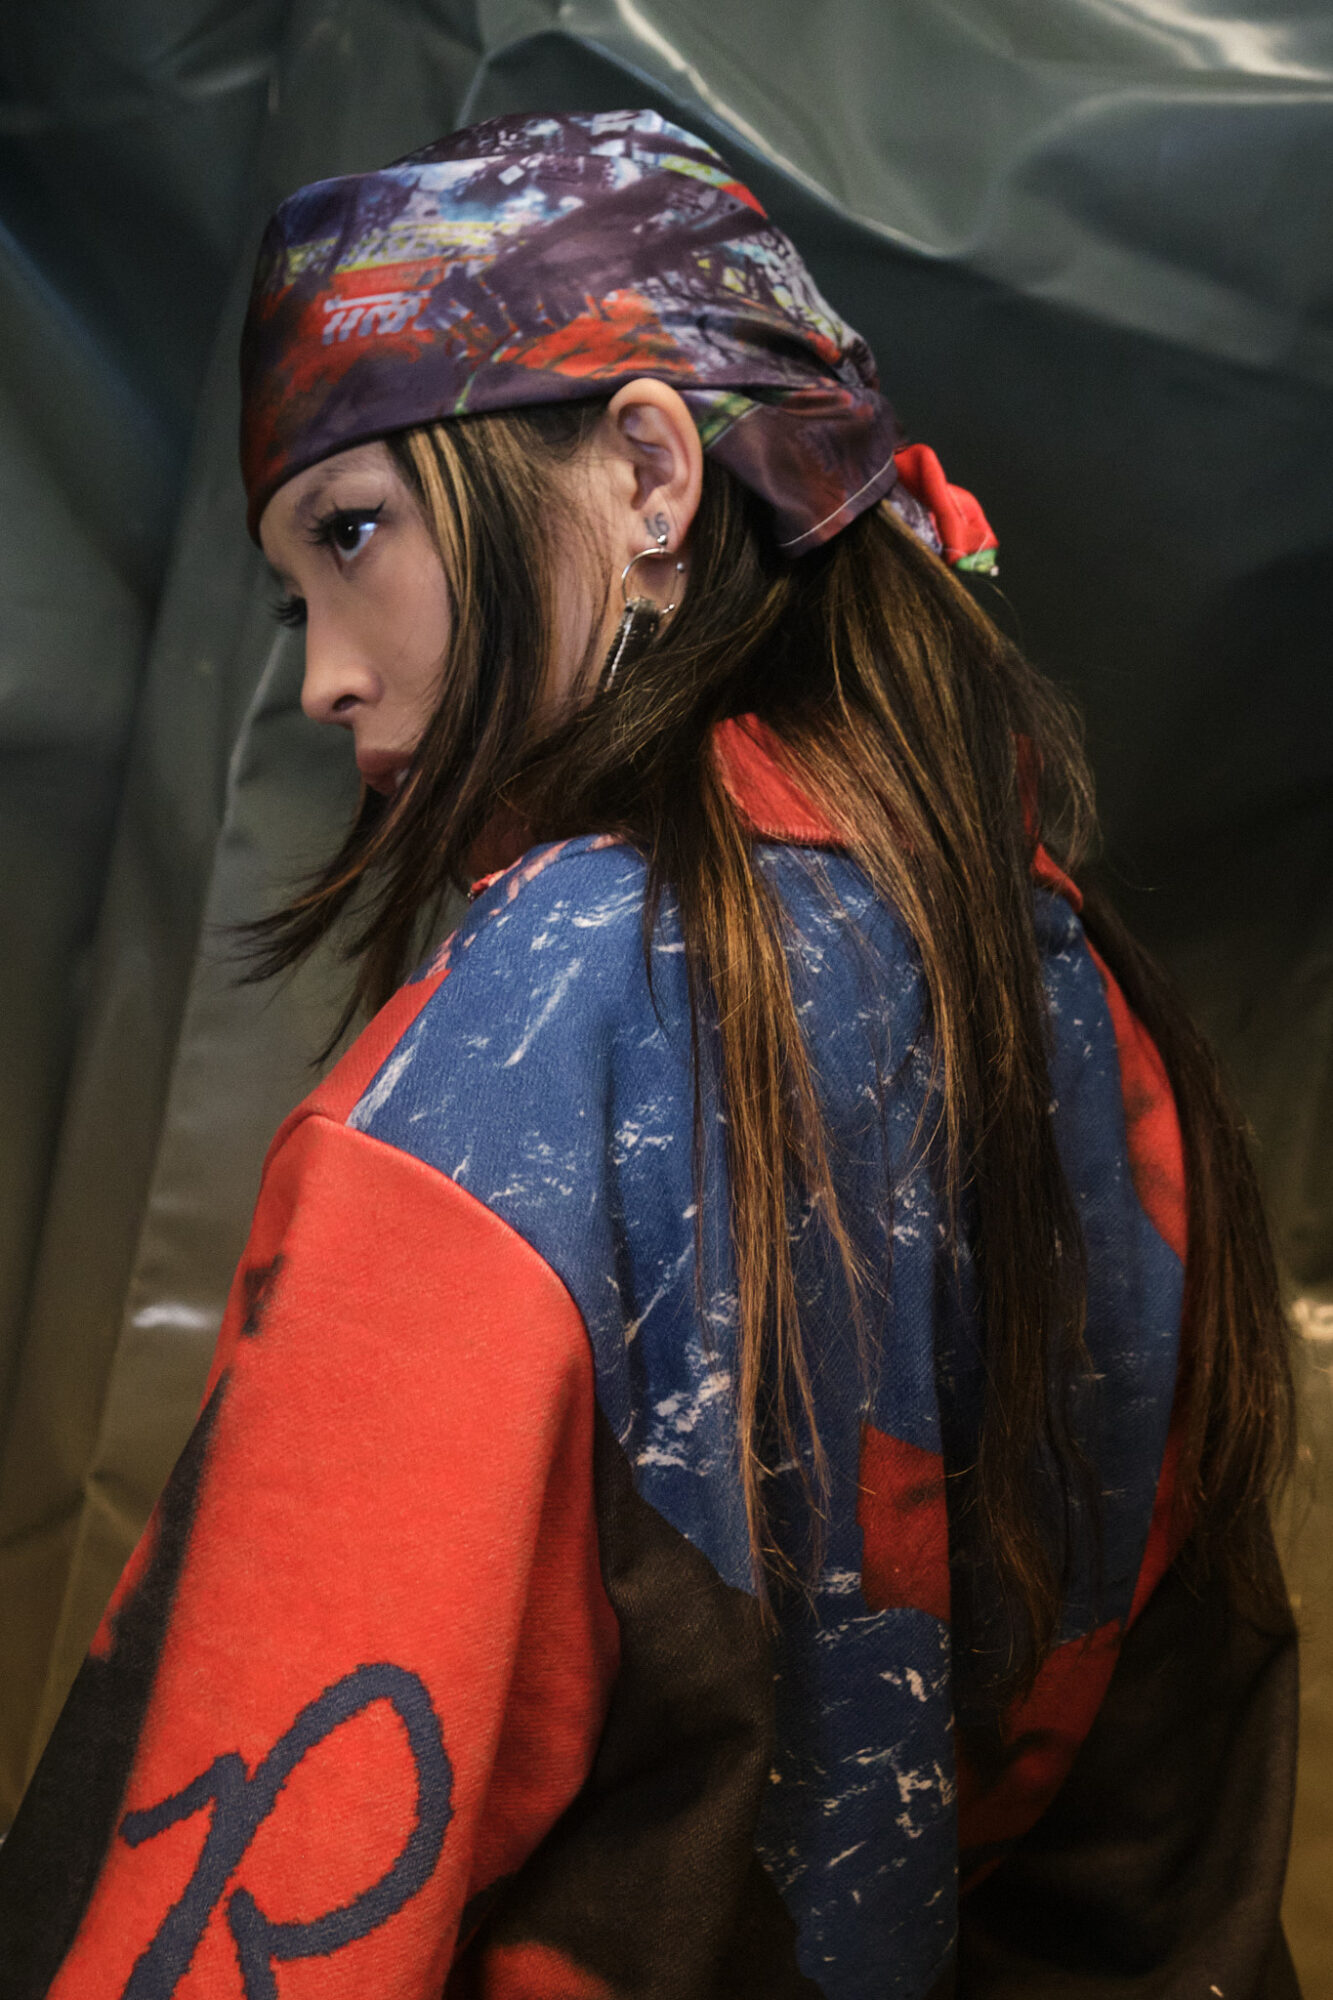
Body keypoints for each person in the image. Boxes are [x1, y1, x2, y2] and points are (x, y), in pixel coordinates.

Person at [0, 108, 1299, 2000]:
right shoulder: (1088, 1007)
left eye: (354, 533)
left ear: (645, 473)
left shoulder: (523, 1053)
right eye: (296, 593)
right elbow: (1177, 1873)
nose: (324, 674)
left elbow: (259, 1877)